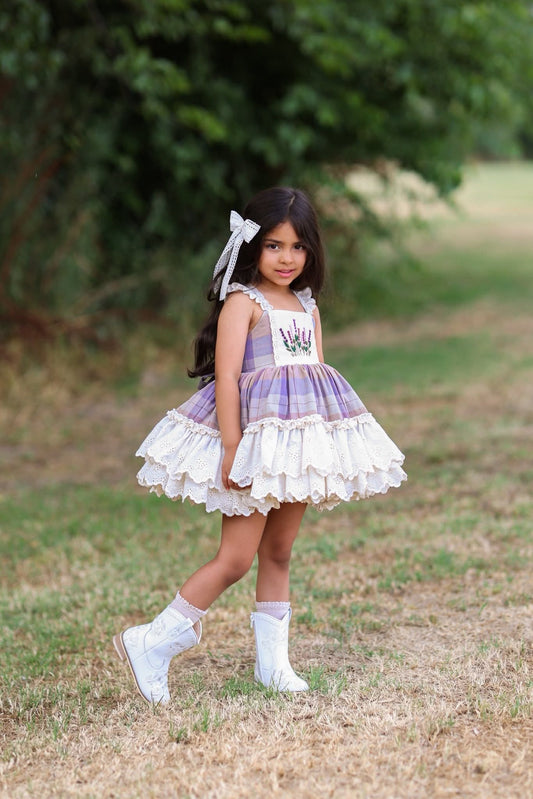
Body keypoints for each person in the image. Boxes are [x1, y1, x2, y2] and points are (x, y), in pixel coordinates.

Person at [113, 187, 407, 705]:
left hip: (292, 447)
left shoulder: (307, 308)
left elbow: (312, 380)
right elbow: (227, 378)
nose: (286, 258)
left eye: (297, 247)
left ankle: (273, 665)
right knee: (235, 558)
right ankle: (153, 641)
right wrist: (232, 446)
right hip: (252, 443)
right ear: (252, 247)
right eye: (273, 246)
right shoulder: (243, 304)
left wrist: (319, 447)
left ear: (311, 251)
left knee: (280, 551)